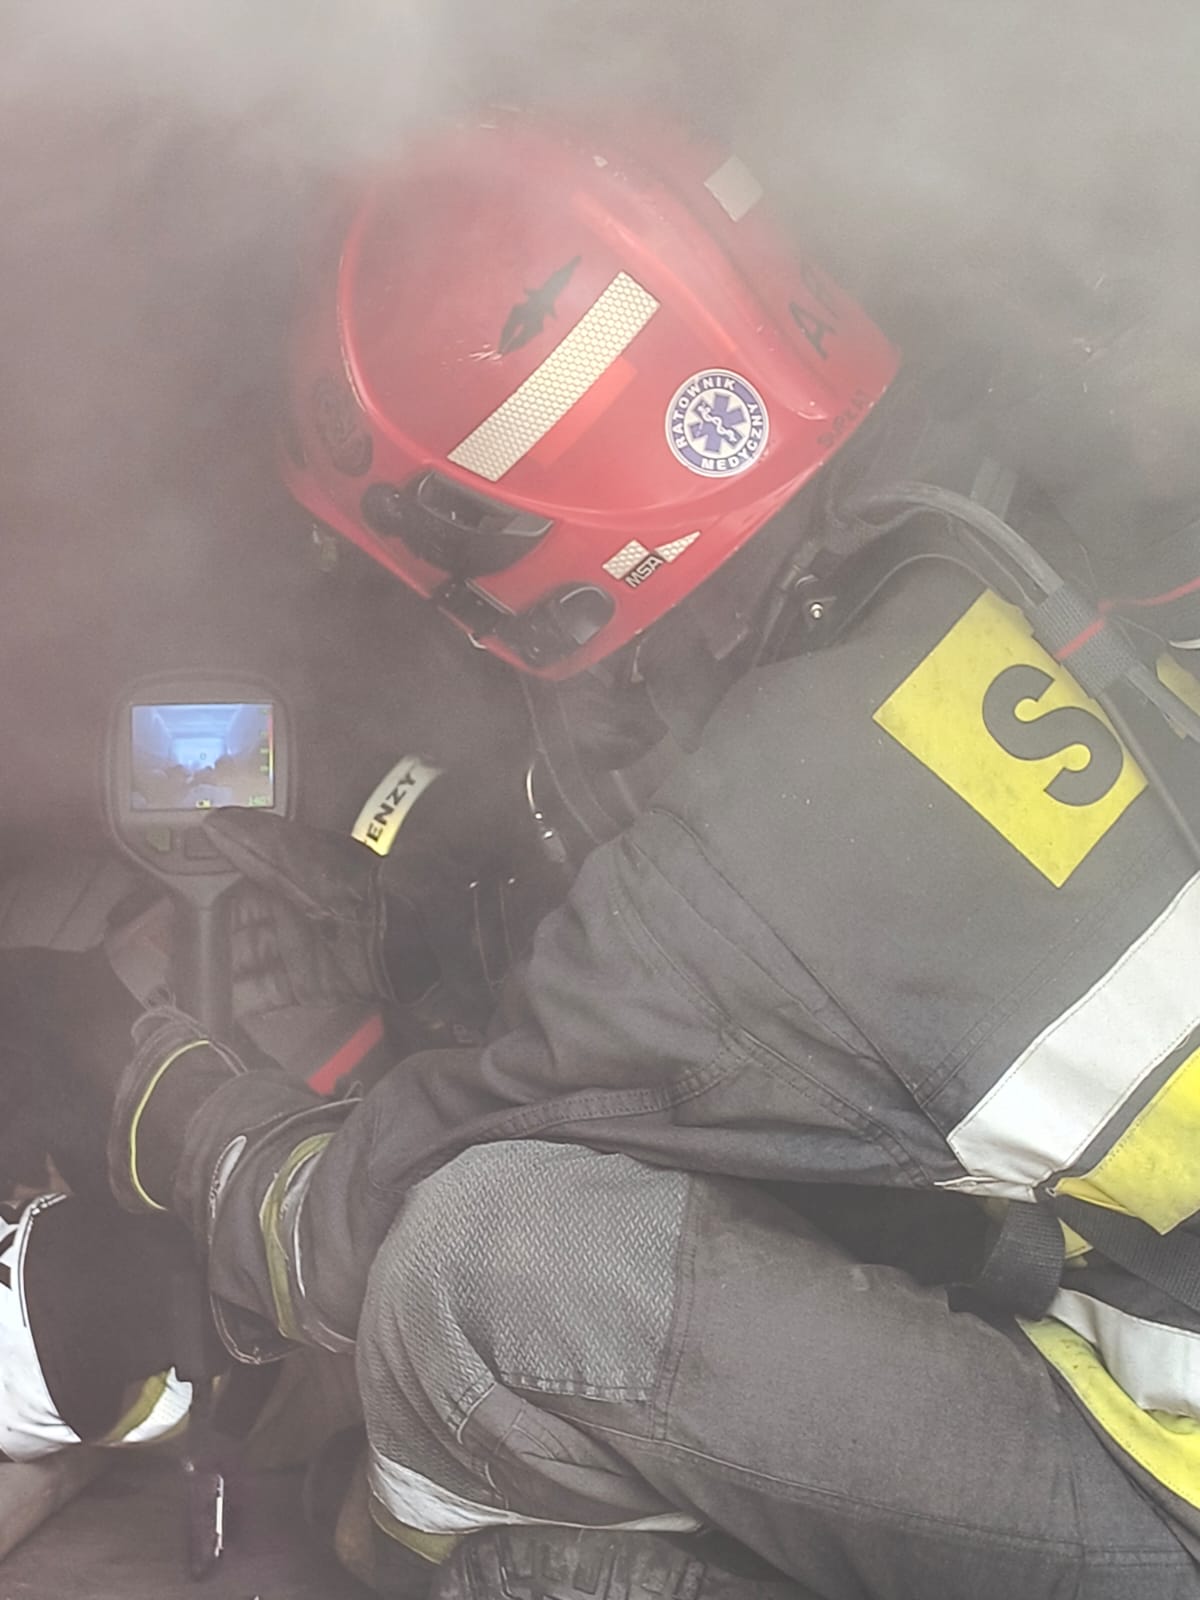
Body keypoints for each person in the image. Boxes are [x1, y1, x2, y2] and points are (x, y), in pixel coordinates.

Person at [52, 108, 1200, 1598]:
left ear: (505, 552)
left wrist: (177, 1107)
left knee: (481, 1273)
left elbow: (345, 1239)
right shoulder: (1003, 542)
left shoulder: (757, 859)